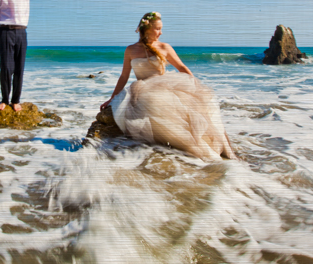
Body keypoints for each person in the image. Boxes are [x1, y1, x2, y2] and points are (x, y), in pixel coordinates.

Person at [101, 12, 235, 160]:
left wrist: (196, 86)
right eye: (158, 29)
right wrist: (111, 99)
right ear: (146, 29)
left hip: (163, 87)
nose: (161, 32)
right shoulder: (130, 50)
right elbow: (124, 76)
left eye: (161, 29)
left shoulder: (165, 47)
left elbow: (182, 68)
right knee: (146, 104)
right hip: (140, 89)